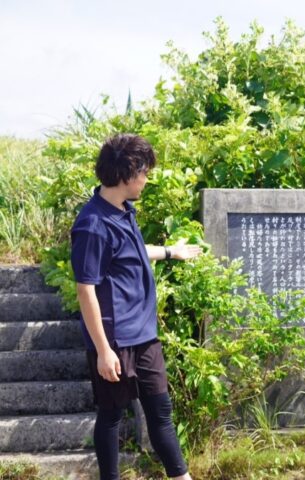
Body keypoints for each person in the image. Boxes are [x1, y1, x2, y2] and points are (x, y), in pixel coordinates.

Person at [71, 134, 200, 480]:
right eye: (144, 171)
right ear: (128, 174)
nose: (147, 178)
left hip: (144, 335)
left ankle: (181, 476)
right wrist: (102, 350)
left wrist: (171, 251)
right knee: (112, 416)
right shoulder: (92, 224)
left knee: (161, 412)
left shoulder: (123, 211)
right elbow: (86, 289)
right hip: (114, 339)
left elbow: (132, 252)